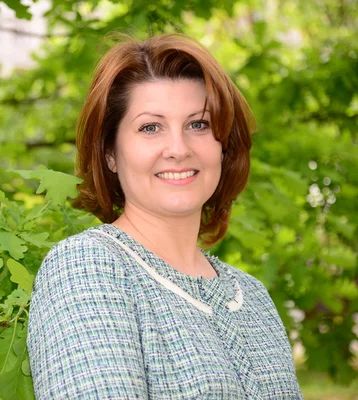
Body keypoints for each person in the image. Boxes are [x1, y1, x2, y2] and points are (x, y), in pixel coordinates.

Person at [27, 33, 303, 399]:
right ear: (110, 152)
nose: (178, 149)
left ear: (223, 146)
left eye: (198, 125)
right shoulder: (87, 268)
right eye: (150, 127)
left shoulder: (252, 296)